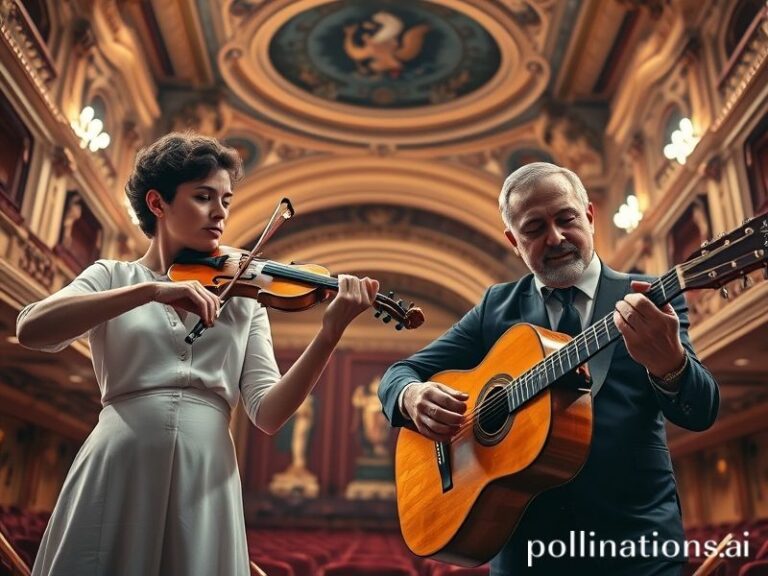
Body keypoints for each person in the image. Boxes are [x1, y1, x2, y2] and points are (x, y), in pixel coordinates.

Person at [16, 132, 379, 576]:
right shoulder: (114, 276)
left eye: (226, 199)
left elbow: (267, 412)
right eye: (204, 197)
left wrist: (329, 334)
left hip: (207, 467)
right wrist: (149, 291)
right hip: (121, 458)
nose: (220, 212)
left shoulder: (245, 295)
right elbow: (31, 328)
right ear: (158, 203)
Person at [378, 162, 719, 575]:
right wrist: (411, 395)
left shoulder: (649, 298)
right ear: (513, 241)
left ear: (589, 216)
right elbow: (402, 372)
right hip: (525, 552)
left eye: (566, 218)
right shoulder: (495, 308)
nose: (555, 237)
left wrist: (671, 367)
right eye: (534, 228)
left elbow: (700, 412)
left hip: (634, 545)